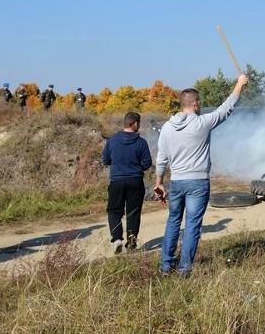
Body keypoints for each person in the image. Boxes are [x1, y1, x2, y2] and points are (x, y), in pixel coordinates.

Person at [154, 74, 249, 277]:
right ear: (195, 103)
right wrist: (240, 84)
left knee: (173, 222)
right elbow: (226, 108)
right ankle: (184, 269)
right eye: (200, 103)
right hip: (198, 182)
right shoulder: (202, 123)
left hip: (176, 181)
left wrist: (159, 182)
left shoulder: (167, 128)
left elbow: (161, 157)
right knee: (192, 226)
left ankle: (165, 267)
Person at [102, 112, 152, 253]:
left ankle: (117, 239)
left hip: (117, 181)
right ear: (135, 124)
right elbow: (147, 163)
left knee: (114, 211)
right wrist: (137, 168)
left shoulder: (112, 140)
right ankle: (131, 243)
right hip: (135, 181)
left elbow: (105, 160)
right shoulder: (141, 142)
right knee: (133, 212)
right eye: (139, 123)